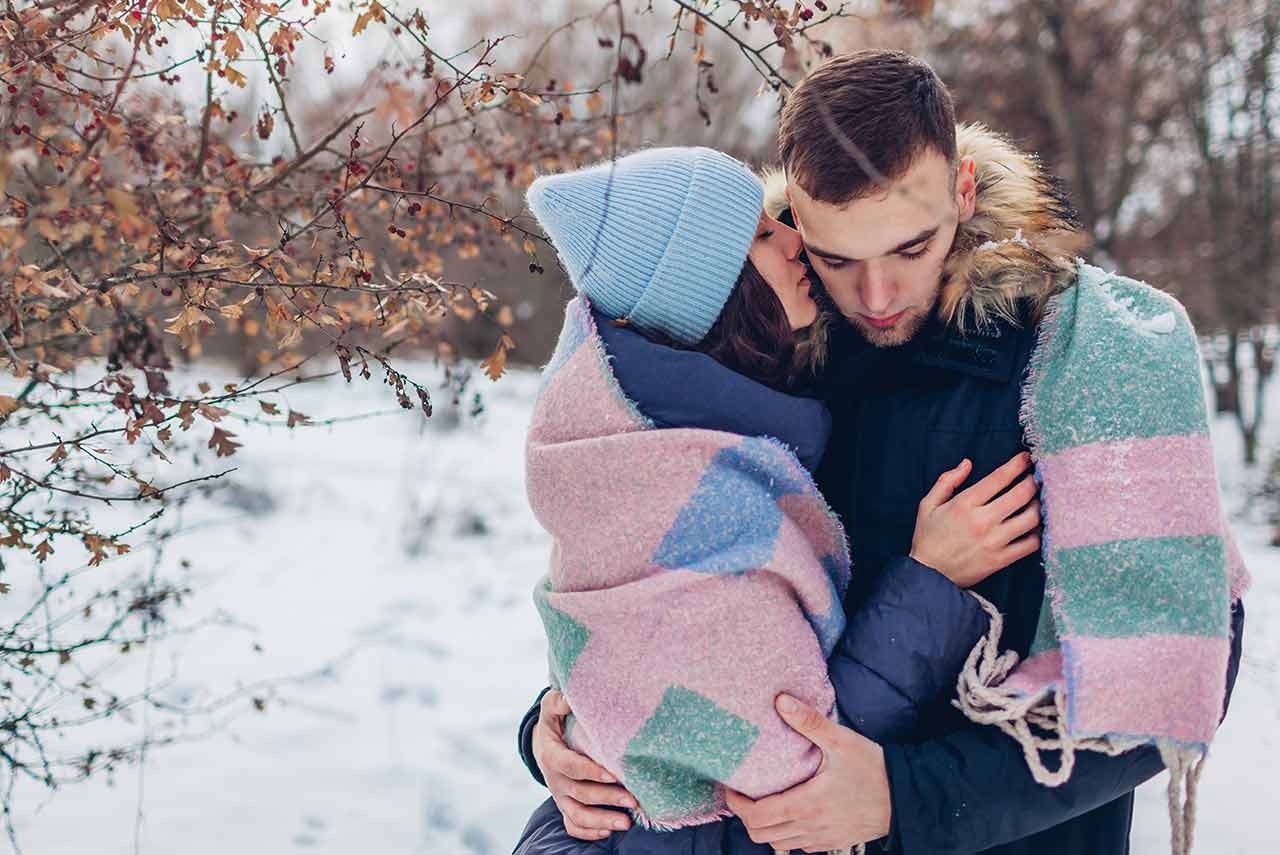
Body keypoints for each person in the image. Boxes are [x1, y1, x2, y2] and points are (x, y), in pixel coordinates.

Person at [518, 53, 1249, 855]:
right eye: (838, 259)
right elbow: (653, 603)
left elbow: (1175, 671)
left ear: (962, 191)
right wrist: (557, 727)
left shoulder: (1084, 351)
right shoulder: (756, 357)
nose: (876, 297)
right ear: (795, 219)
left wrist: (905, 798)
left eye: (911, 248)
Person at [512, 146, 1043, 855]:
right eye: (763, 235)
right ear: (715, 289)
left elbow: (641, 679)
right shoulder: (685, 482)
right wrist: (931, 582)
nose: (794, 237)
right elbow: (788, 761)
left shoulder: (672, 433)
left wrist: (553, 726)